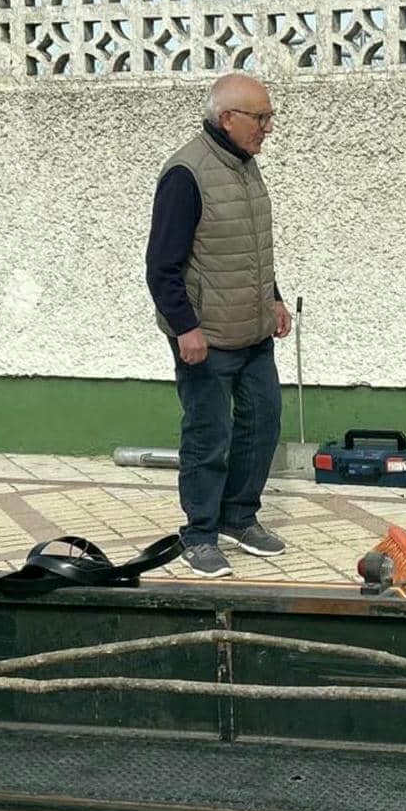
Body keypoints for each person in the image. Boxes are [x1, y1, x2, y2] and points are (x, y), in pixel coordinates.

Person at [146, 73, 295, 578]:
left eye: (270, 117)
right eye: (261, 118)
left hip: (253, 333)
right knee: (209, 436)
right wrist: (185, 328)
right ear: (227, 118)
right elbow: (162, 267)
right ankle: (201, 533)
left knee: (262, 424)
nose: (268, 128)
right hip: (206, 338)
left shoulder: (246, 167)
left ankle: (239, 518)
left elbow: (248, 248)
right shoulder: (186, 174)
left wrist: (273, 298)